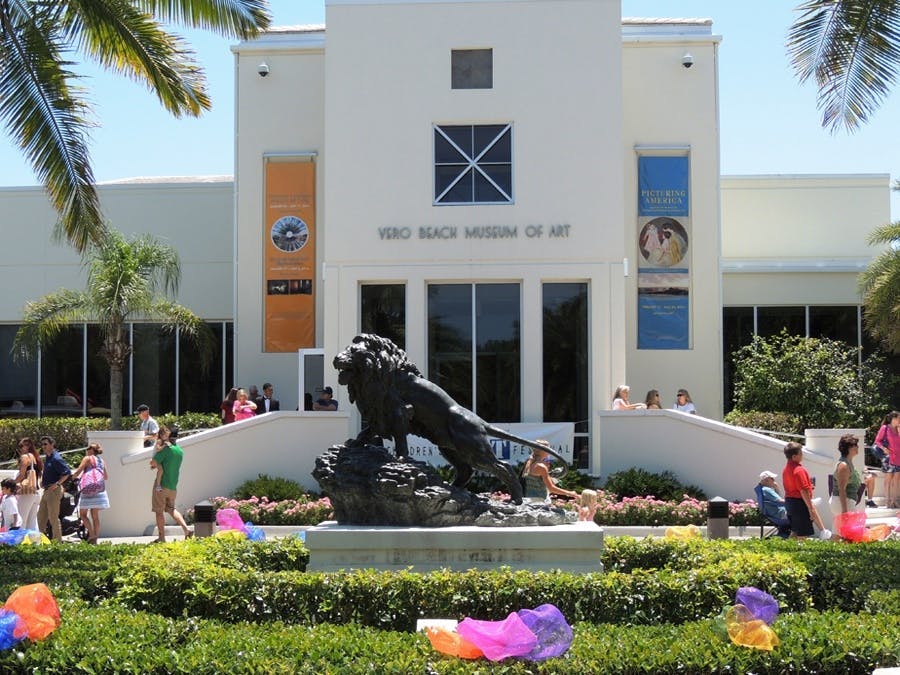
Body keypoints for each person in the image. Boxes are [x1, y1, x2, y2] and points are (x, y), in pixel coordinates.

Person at [149, 426, 192, 542]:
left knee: (159, 512)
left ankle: (162, 537)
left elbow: (153, 463)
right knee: (171, 509)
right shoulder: (180, 451)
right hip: (173, 486)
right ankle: (186, 529)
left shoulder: (166, 449)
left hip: (161, 485)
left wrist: (154, 465)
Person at [781, 441, 826, 540]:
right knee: (802, 535)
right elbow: (803, 490)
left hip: (790, 502)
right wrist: (811, 508)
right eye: (800, 453)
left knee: (795, 531)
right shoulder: (799, 470)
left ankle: (787, 552)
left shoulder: (786, 470)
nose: (802, 455)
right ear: (794, 456)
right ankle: (800, 554)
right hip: (799, 504)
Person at [69, 442, 109, 544]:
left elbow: (78, 471)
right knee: (95, 516)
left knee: (83, 514)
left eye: (88, 448)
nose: (86, 450)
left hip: (87, 490)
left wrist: (71, 479)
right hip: (99, 490)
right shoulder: (101, 461)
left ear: (91, 450)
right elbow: (106, 477)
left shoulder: (87, 459)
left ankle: (91, 535)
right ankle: (95, 539)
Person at [36, 436, 72, 542]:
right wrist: (43, 482)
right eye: (42, 444)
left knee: (53, 517)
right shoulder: (48, 457)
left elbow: (67, 473)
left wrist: (56, 484)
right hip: (46, 490)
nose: (43, 446)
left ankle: (57, 541)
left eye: (45, 444)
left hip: (54, 491)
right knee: (41, 516)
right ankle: (40, 540)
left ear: (52, 444)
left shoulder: (56, 458)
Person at [828, 433, 866, 517]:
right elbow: (841, 489)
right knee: (846, 530)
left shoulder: (848, 463)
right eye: (855, 445)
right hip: (843, 504)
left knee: (838, 530)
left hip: (846, 502)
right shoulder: (844, 465)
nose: (857, 447)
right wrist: (844, 511)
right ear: (849, 448)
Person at [14, 437, 42, 531]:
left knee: (21, 519)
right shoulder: (34, 457)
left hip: (26, 492)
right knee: (32, 521)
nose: (20, 449)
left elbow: (22, 475)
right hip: (34, 492)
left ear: (28, 446)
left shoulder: (25, 457)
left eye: (21, 446)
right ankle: (35, 543)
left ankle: (20, 542)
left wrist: (12, 483)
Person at [874, 411, 900, 509]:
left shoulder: (898, 429)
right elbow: (877, 441)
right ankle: (887, 501)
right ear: (893, 419)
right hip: (889, 457)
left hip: (898, 457)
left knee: (897, 479)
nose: (899, 420)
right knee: (888, 479)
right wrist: (884, 449)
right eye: (898, 418)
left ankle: (894, 501)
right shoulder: (885, 428)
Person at [757, 470, 791, 538]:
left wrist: (776, 488)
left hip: (774, 514)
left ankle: (784, 532)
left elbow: (778, 499)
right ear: (766, 480)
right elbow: (781, 501)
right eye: (772, 478)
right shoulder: (767, 490)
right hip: (780, 514)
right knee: (806, 512)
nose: (774, 480)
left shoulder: (763, 490)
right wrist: (795, 502)